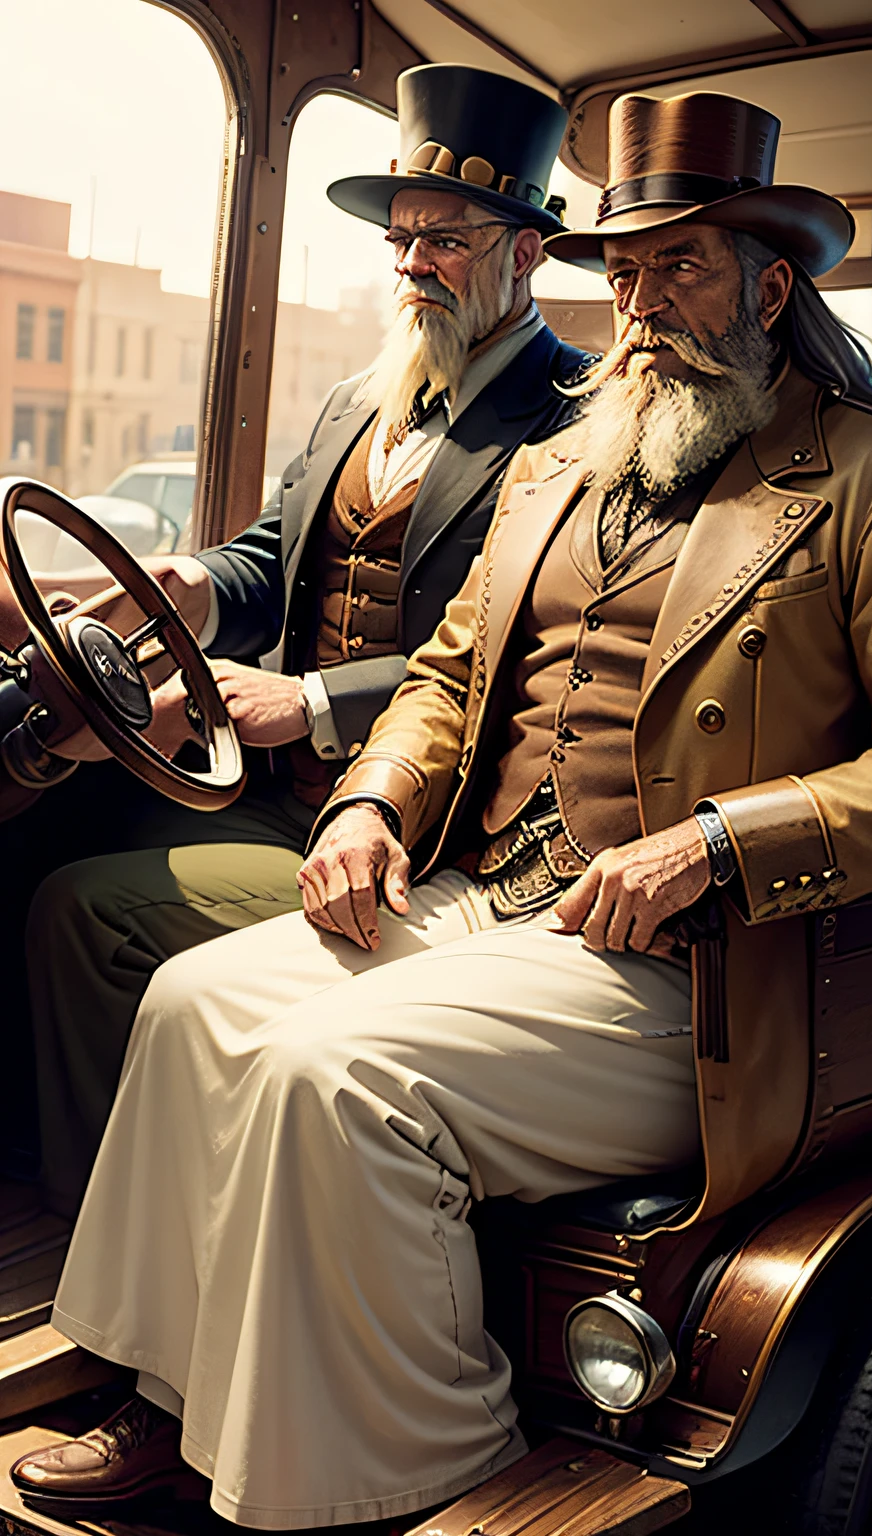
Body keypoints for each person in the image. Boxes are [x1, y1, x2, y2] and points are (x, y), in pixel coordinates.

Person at [14, 87, 872, 1528]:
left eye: (679, 264)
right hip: (485, 896)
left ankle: (425, 1476)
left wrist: (718, 841)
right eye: (620, 270)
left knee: (334, 1081)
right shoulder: (561, 465)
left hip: (709, 968)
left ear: (770, 281)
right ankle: (175, 1406)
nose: (640, 302)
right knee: (190, 1009)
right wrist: (369, 801)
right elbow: (440, 678)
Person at [0, 62, 587, 1207]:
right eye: (403, 238)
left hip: (414, 820)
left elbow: (518, 658)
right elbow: (268, 564)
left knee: (82, 913)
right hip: (259, 778)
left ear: (524, 254)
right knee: (34, 820)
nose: (413, 263)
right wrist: (183, 589)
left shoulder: (572, 421)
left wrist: (308, 704)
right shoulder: (358, 401)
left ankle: (107, 1231)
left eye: (447, 240)